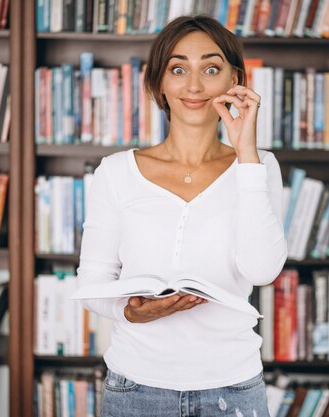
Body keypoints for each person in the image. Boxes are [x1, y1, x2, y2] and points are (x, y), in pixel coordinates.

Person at [76, 14, 287, 417]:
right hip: (136, 387)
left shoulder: (259, 167)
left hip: (234, 387)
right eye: (178, 69)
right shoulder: (117, 171)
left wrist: (246, 154)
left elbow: (261, 270)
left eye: (211, 69)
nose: (194, 86)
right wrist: (130, 310)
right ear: (158, 81)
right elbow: (93, 281)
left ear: (235, 80)